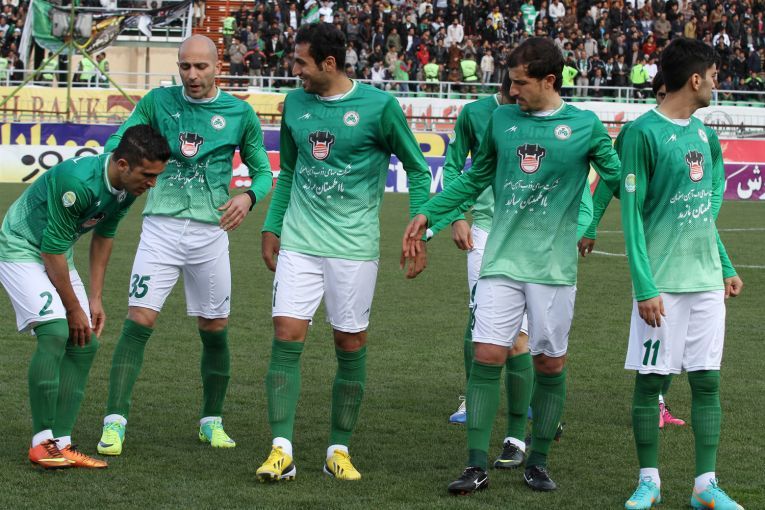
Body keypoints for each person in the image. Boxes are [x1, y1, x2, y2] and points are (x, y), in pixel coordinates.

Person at [403, 37, 621, 495]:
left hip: (553, 268)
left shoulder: (584, 126)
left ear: (549, 80)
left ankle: (537, 462)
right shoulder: (502, 120)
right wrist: (429, 216)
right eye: (510, 81)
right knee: (487, 354)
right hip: (500, 260)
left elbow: (618, 179)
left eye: (521, 82)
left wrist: (636, 207)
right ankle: (475, 465)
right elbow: (475, 177)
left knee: (548, 362)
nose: (512, 90)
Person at [256, 22, 431, 483]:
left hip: (353, 248)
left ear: (329, 63)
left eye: (301, 63)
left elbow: (417, 168)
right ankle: (281, 450)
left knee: (349, 343)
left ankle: (338, 450)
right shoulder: (295, 104)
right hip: (300, 242)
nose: (295, 71)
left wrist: (420, 225)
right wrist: (272, 225)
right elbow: (290, 171)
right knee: (286, 334)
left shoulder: (379, 107)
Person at [95, 35, 273, 457]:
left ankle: (212, 421)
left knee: (214, 328)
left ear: (217, 67)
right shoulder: (157, 102)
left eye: (201, 67)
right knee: (138, 320)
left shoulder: (240, 113)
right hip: (160, 229)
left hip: (211, 235)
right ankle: (114, 421)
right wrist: (113, 171)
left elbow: (264, 172)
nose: (192, 75)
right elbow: (117, 143)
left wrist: (248, 197)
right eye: (185, 66)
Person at [435, 73, 589, 473]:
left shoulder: (563, 121)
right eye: (513, 87)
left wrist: (577, 229)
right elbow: (457, 167)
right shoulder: (478, 114)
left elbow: (587, 183)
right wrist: (455, 215)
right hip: (487, 231)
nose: (517, 95)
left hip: (538, 241)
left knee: (525, 340)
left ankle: (523, 428)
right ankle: (483, 412)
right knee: (485, 331)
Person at [620, 38, 744, 510]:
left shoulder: (705, 136)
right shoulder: (641, 134)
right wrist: (645, 286)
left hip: (706, 282)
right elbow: (631, 217)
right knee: (651, 382)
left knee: (707, 382)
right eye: (712, 76)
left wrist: (725, 265)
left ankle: (704, 487)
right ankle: (648, 481)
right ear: (695, 79)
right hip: (662, 285)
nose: (715, 83)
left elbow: (702, 214)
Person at [0, 125, 170, 469]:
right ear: (122, 164)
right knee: (56, 331)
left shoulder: (128, 188)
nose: (153, 183)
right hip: (20, 247)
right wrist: (73, 308)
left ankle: (62, 443)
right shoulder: (77, 183)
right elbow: (49, 251)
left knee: (85, 341)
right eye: (148, 175)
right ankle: (41, 443)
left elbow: (104, 236)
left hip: (57, 251)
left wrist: (94, 298)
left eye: (156, 175)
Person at [580, 71, 690, 430]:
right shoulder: (637, 132)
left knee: (678, 337)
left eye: (668, 93)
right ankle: (651, 402)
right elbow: (611, 181)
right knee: (657, 329)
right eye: (659, 94)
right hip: (651, 245)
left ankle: (659, 401)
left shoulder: (695, 133)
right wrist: (591, 225)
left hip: (686, 247)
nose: (664, 101)